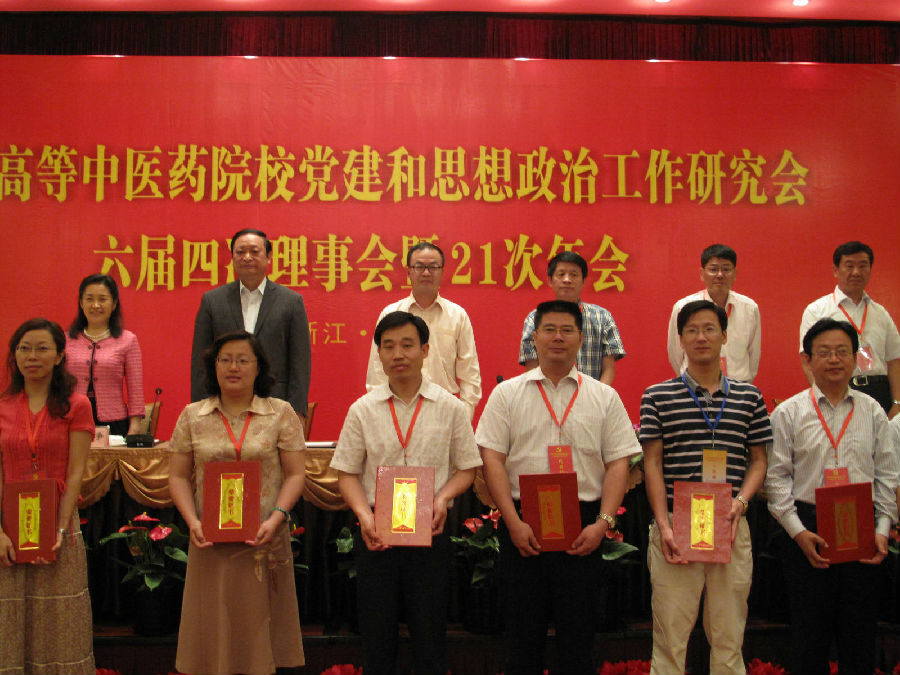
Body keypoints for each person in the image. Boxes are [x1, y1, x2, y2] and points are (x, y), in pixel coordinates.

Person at [478, 299, 640, 675]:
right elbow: (492, 460)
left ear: (581, 339)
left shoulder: (603, 396)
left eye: (567, 330)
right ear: (534, 338)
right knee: (522, 637)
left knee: (578, 638)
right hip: (522, 524)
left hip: (584, 527)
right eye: (549, 329)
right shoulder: (507, 394)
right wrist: (512, 521)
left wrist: (602, 523)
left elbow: (619, 462)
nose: (558, 337)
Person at [333, 311, 481, 675]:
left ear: (425, 350)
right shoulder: (362, 409)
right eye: (388, 346)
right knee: (376, 636)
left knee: (430, 635)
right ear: (379, 354)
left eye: (407, 345)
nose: (398, 354)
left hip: (430, 531)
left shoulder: (451, 407)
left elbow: (467, 469)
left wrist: (443, 498)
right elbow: (347, 474)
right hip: (376, 536)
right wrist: (364, 516)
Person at [640, 300, 771, 675]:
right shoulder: (657, 396)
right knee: (669, 641)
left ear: (724, 336)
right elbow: (652, 463)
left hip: (730, 524)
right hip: (675, 529)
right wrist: (664, 525)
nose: (701, 337)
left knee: (729, 639)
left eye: (710, 329)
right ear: (680, 339)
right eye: (692, 330)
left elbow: (758, 460)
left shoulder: (749, 397)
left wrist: (741, 502)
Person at [169, 330, 305, 675]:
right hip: (209, 540)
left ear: (258, 367)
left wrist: (277, 517)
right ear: (213, 366)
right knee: (213, 623)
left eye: (243, 360)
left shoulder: (280, 413)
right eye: (225, 360)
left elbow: (295, 474)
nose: (234, 367)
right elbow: (178, 477)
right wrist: (192, 522)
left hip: (264, 538)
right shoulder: (192, 416)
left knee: (260, 627)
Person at [768, 318, 899, 675]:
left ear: (855, 358)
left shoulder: (873, 411)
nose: (834, 359)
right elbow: (776, 481)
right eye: (824, 352)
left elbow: (888, 476)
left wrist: (881, 530)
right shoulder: (789, 413)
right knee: (809, 638)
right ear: (807, 360)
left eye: (842, 351)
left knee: (859, 636)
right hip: (807, 528)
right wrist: (798, 533)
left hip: (862, 530)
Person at [0, 318, 95, 674]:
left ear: (58, 356)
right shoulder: (3, 405)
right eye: (24, 348)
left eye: (42, 349)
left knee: (60, 616)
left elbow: (75, 472)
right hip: (9, 527)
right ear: (14, 355)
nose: (32, 356)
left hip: (59, 523)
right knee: (10, 615)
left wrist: (60, 529)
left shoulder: (76, 405)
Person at [191, 228, 312, 421]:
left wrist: (296, 412)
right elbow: (201, 362)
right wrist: (201, 408)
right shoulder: (213, 301)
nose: (247, 257)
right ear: (232, 258)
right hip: (224, 406)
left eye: (254, 251)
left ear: (268, 256)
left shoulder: (291, 301)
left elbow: (300, 363)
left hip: (275, 406)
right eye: (240, 252)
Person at [365, 242, 481, 419]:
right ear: (408, 272)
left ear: (442, 272)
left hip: (445, 411)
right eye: (419, 267)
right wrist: (382, 415)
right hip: (398, 410)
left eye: (433, 267)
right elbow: (377, 372)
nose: (426, 272)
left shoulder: (457, 315)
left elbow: (469, 374)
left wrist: (463, 417)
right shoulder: (390, 313)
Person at [799, 241, 900, 417]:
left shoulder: (881, 313)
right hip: (840, 390)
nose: (856, 272)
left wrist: (897, 403)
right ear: (835, 270)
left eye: (863, 266)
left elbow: (894, 360)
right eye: (849, 266)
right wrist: (824, 398)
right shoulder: (817, 310)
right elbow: (807, 359)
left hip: (880, 392)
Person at [519, 251, 625, 385]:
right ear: (550, 280)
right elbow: (532, 369)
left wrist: (599, 396)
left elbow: (608, 369)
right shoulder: (534, 319)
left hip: (593, 396)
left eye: (574, 275)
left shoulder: (602, 317)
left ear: (583, 281)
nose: (567, 280)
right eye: (561, 274)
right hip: (547, 395)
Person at [666, 244, 761, 382]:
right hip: (695, 387)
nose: (720, 275)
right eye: (713, 269)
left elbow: (754, 356)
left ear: (735, 273)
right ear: (702, 273)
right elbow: (676, 354)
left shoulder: (750, 308)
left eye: (726, 269)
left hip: (738, 388)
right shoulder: (683, 307)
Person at [66, 273, 145, 436]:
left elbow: (135, 389)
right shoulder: (65, 340)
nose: (96, 305)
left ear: (114, 303)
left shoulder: (128, 340)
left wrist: (135, 427)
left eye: (102, 299)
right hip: (70, 417)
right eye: (89, 299)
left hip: (114, 421)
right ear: (81, 303)